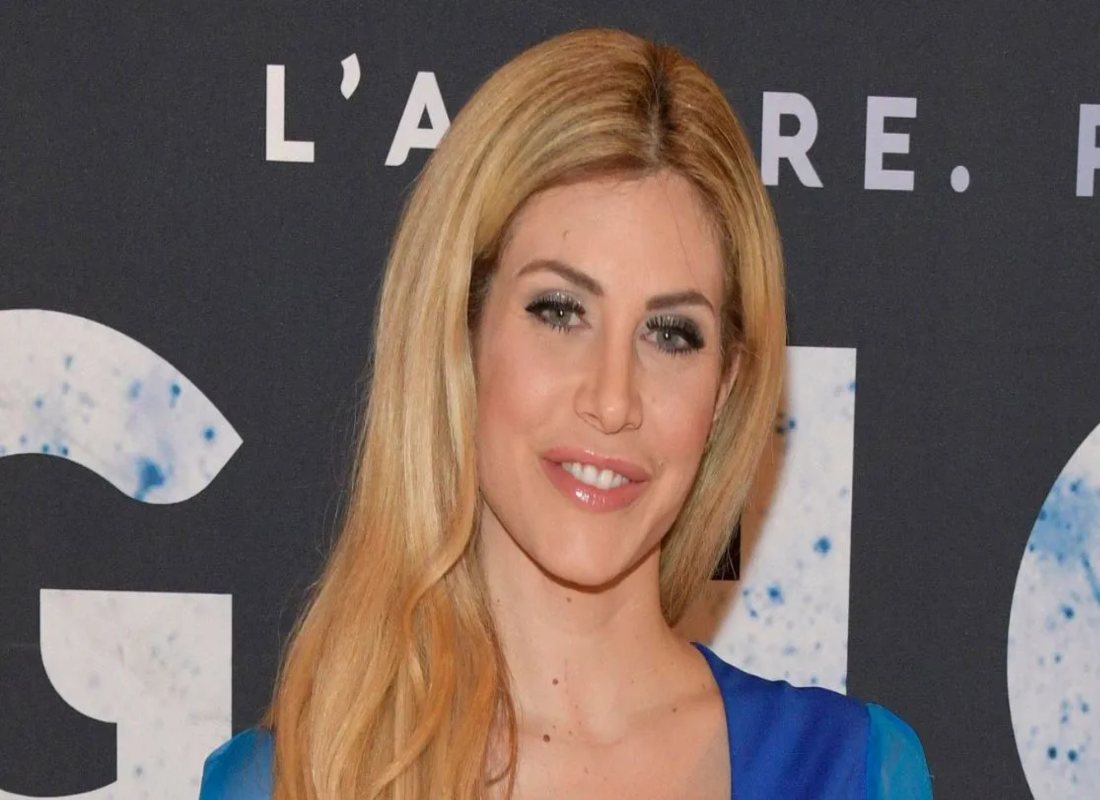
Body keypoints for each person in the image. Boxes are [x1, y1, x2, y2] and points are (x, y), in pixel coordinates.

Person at [198, 26, 932, 800]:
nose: (612, 400)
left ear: (725, 386)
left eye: (670, 334)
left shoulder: (852, 771)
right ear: (459, 333)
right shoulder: (297, 779)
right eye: (559, 311)